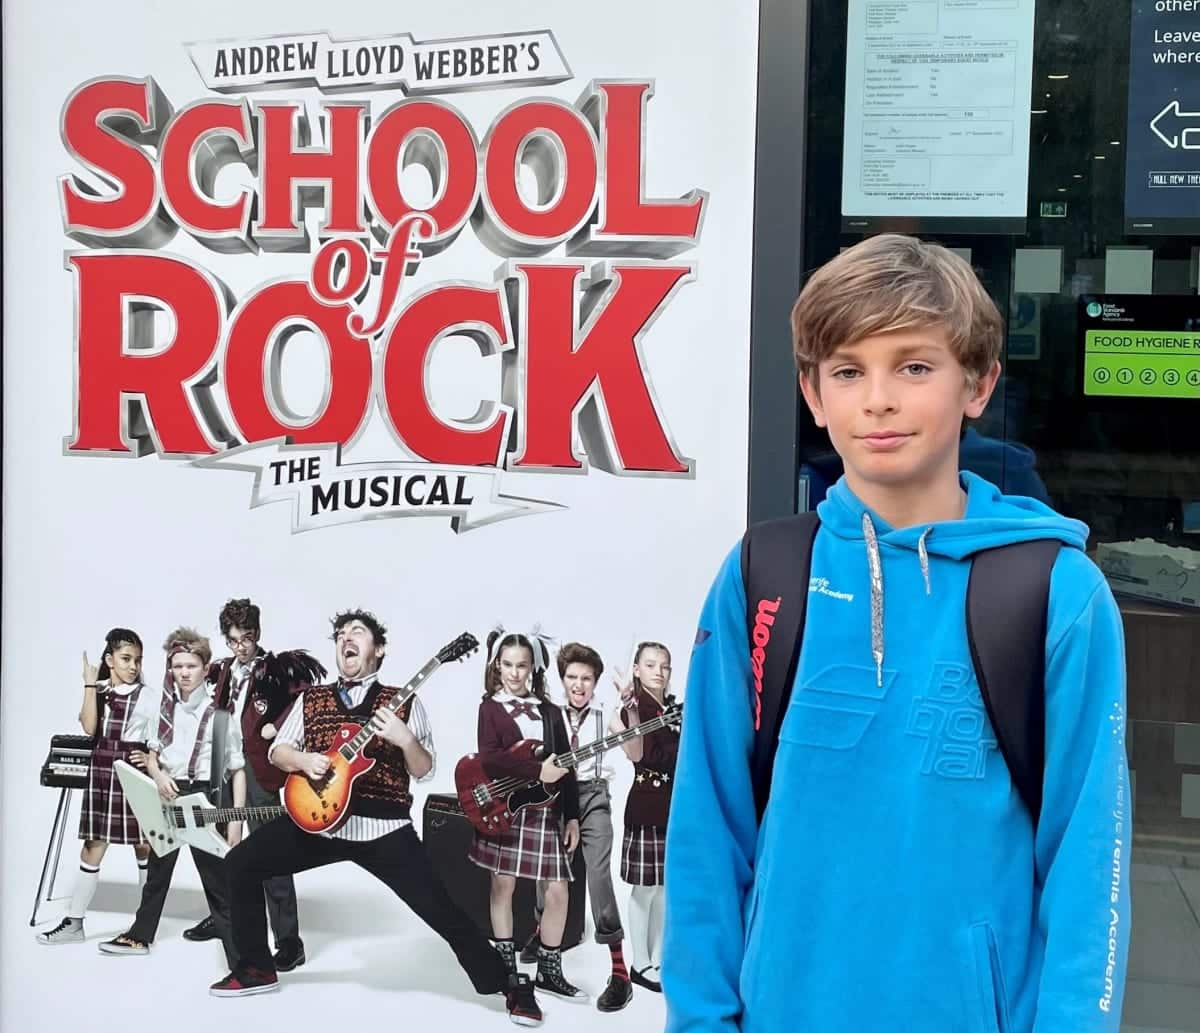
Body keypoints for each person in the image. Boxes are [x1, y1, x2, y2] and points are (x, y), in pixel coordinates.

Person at [662, 234, 1131, 1032]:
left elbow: (1089, 863)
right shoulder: (764, 573)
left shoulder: (1053, 592)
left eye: (914, 366)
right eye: (848, 371)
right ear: (813, 393)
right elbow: (708, 830)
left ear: (978, 383)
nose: (877, 399)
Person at [212, 610, 543, 1028]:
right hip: (319, 821)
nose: (345, 639)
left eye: (357, 632)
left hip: (384, 829)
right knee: (240, 863)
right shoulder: (311, 700)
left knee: (443, 911)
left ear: (379, 648)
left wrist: (405, 740)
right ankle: (257, 967)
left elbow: (424, 770)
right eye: (340, 634)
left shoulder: (403, 702)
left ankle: (508, 985)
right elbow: (279, 751)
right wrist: (305, 760)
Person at [181, 597, 323, 974]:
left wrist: (279, 725)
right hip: (221, 764)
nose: (240, 646)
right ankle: (225, 916)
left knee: (270, 851)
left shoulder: (277, 668)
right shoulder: (222, 669)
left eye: (245, 638)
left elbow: (308, 702)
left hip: (259, 768)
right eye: (232, 640)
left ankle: (289, 941)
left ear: (257, 633)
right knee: (217, 844)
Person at [98, 627, 243, 965]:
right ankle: (140, 935)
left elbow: (237, 770)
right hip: (168, 794)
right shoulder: (163, 709)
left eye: (191, 666)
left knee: (218, 883)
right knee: (157, 874)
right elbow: (152, 755)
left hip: (205, 797)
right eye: (177, 666)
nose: (184, 673)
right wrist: (158, 775)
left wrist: (236, 820)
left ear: (206, 668)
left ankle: (242, 960)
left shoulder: (221, 717)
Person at [470, 629, 588, 1005]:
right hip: (505, 808)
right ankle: (506, 964)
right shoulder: (490, 708)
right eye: (507, 665)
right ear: (496, 665)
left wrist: (572, 817)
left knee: (558, 891)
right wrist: (537, 771)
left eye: (521, 665)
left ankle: (549, 972)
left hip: (544, 812)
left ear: (533, 668)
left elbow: (566, 767)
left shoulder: (550, 712)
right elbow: (490, 757)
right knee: (502, 886)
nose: (514, 673)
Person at [519, 642, 633, 1012]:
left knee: (598, 875)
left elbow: (633, 747)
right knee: (549, 873)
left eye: (586, 678)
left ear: (595, 682)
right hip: (555, 797)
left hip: (593, 795)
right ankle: (542, 932)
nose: (578, 684)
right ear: (562, 678)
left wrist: (630, 705)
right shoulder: (550, 713)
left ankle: (619, 970)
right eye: (572, 677)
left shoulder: (606, 712)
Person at [36, 629, 151, 944]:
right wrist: (89, 683)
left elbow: (160, 735)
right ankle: (74, 923)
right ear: (110, 660)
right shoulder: (99, 690)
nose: (133, 666)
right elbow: (89, 728)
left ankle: (145, 924)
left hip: (134, 774)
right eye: (126, 659)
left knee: (145, 846)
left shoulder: (148, 696)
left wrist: (150, 756)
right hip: (102, 773)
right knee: (93, 846)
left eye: (138, 660)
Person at [611, 641, 678, 993]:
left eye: (664, 666)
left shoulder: (673, 708)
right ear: (636, 670)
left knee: (665, 888)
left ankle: (659, 958)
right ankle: (639, 963)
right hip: (647, 806)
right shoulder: (633, 709)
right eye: (650, 665)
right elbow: (645, 756)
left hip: (673, 807)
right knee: (645, 889)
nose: (659, 672)